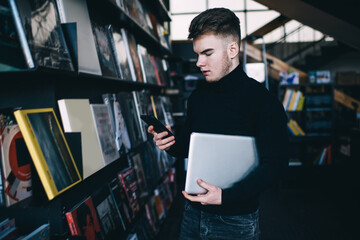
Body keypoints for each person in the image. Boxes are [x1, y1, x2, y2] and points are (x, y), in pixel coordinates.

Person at [148, 7, 289, 240]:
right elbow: (188, 149)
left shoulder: (262, 101)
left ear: (232, 49)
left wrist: (226, 196)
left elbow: (276, 165)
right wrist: (169, 142)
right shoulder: (198, 97)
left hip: (235, 220)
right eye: (197, 54)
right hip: (193, 213)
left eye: (207, 53)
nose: (198, 62)